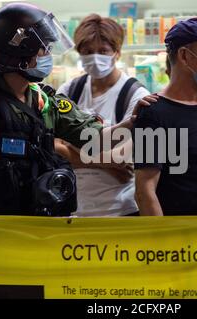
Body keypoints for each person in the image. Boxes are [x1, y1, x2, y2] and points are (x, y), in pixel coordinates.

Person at [0, 3, 141, 217]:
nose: (48, 56)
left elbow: (95, 139)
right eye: (45, 49)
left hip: (41, 230)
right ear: (21, 52)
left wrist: (131, 123)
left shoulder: (46, 102)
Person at [134, 17, 197, 216]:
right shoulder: (154, 113)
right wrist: (164, 243)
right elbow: (145, 190)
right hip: (182, 241)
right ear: (184, 56)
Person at [56, 14, 150, 217]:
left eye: (103, 51)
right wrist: (106, 162)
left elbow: (124, 156)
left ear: (117, 53)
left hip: (120, 210)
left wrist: (72, 146)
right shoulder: (69, 90)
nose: (95, 57)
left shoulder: (136, 95)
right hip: (74, 210)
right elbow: (54, 146)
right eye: (88, 51)